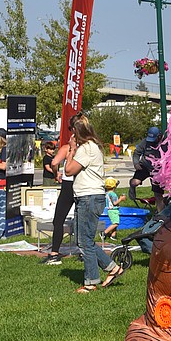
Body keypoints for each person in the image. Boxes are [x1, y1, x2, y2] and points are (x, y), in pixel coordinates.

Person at [65, 118, 123, 292]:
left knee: (84, 242)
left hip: (88, 197)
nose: (71, 134)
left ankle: (91, 282)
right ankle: (112, 268)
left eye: (72, 130)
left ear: (78, 131)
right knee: (83, 240)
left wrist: (72, 150)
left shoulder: (86, 148)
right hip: (89, 196)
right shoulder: (93, 146)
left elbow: (69, 170)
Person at [42, 116, 85, 266]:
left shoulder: (68, 148)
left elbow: (54, 163)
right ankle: (83, 251)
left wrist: (56, 173)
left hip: (69, 185)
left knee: (58, 219)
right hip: (82, 185)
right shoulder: (87, 147)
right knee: (81, 220)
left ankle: (55, 253)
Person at [129, 126, 165, 211]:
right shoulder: (145, 142)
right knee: (135, 182)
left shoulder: (165, 143)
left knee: (158, 195)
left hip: (157, 171)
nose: (151, 142)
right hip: (144, 166)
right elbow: (137, 153)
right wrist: (136, 163)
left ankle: (161, 214)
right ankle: (132, 187)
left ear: (159, 136)